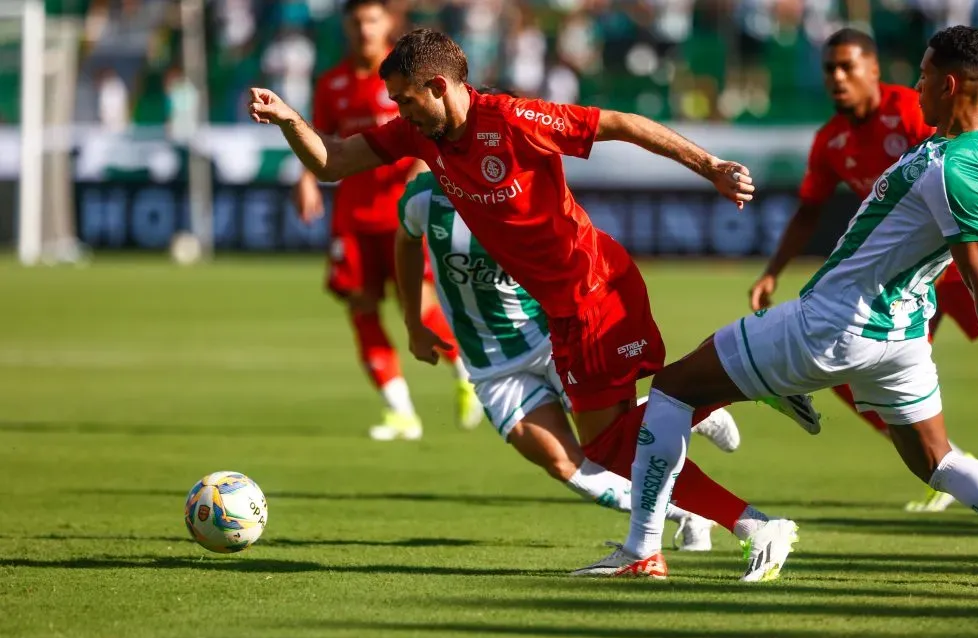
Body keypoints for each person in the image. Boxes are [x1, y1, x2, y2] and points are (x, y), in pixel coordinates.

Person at [249, 27, 821, 582]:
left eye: (406, 98)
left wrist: (710, 167)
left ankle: (750, 515)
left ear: (440, 87)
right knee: (627, 431)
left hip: (594, 289)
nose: (400, 110)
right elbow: (332, 161)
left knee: (615, 441)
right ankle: (743, 401)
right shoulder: (418, 133)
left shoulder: (513, 118)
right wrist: (289, 120)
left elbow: (618, 124)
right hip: (566, 309)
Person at [580, 25, 978, 579]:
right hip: (901, 340)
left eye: (926, 75)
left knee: (672, 390)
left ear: (951, 84)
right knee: (937, 461)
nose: (916, 85)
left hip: (835, 326)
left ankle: (641, 550)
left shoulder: (947, 168)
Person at [395, 168, 750, 551]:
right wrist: (414, 323)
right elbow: (405, 242)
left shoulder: (523, 193)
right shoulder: (424, 197)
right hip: (492, 364)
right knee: (565, 465)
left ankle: (683, 409)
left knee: (611, 444)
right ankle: (687, 510)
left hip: (551, 338)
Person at [748, 28, 978, 514]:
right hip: (906, 279)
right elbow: (808, 211)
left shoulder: (915, 110)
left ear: (874, 70)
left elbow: (957, 173)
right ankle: (944, 459)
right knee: (854, 365)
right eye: (829, 68)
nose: (836, 77)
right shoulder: (830, 139)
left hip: (967, 262)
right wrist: (773, 271)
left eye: (846, 67)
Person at [292, 0, 480, 441]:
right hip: (353, 216)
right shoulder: (332, 82)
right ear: (345, 26)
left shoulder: (405, 79)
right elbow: (320, 138)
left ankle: (465, 369)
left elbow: (430, 135)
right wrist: (304, 178)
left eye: (371, 20)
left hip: (402, 214)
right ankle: (401, 412)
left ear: (388, 24)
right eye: (355, 21)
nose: (363, 29)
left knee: (420, 306)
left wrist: (421, 176)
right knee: (360, 307)